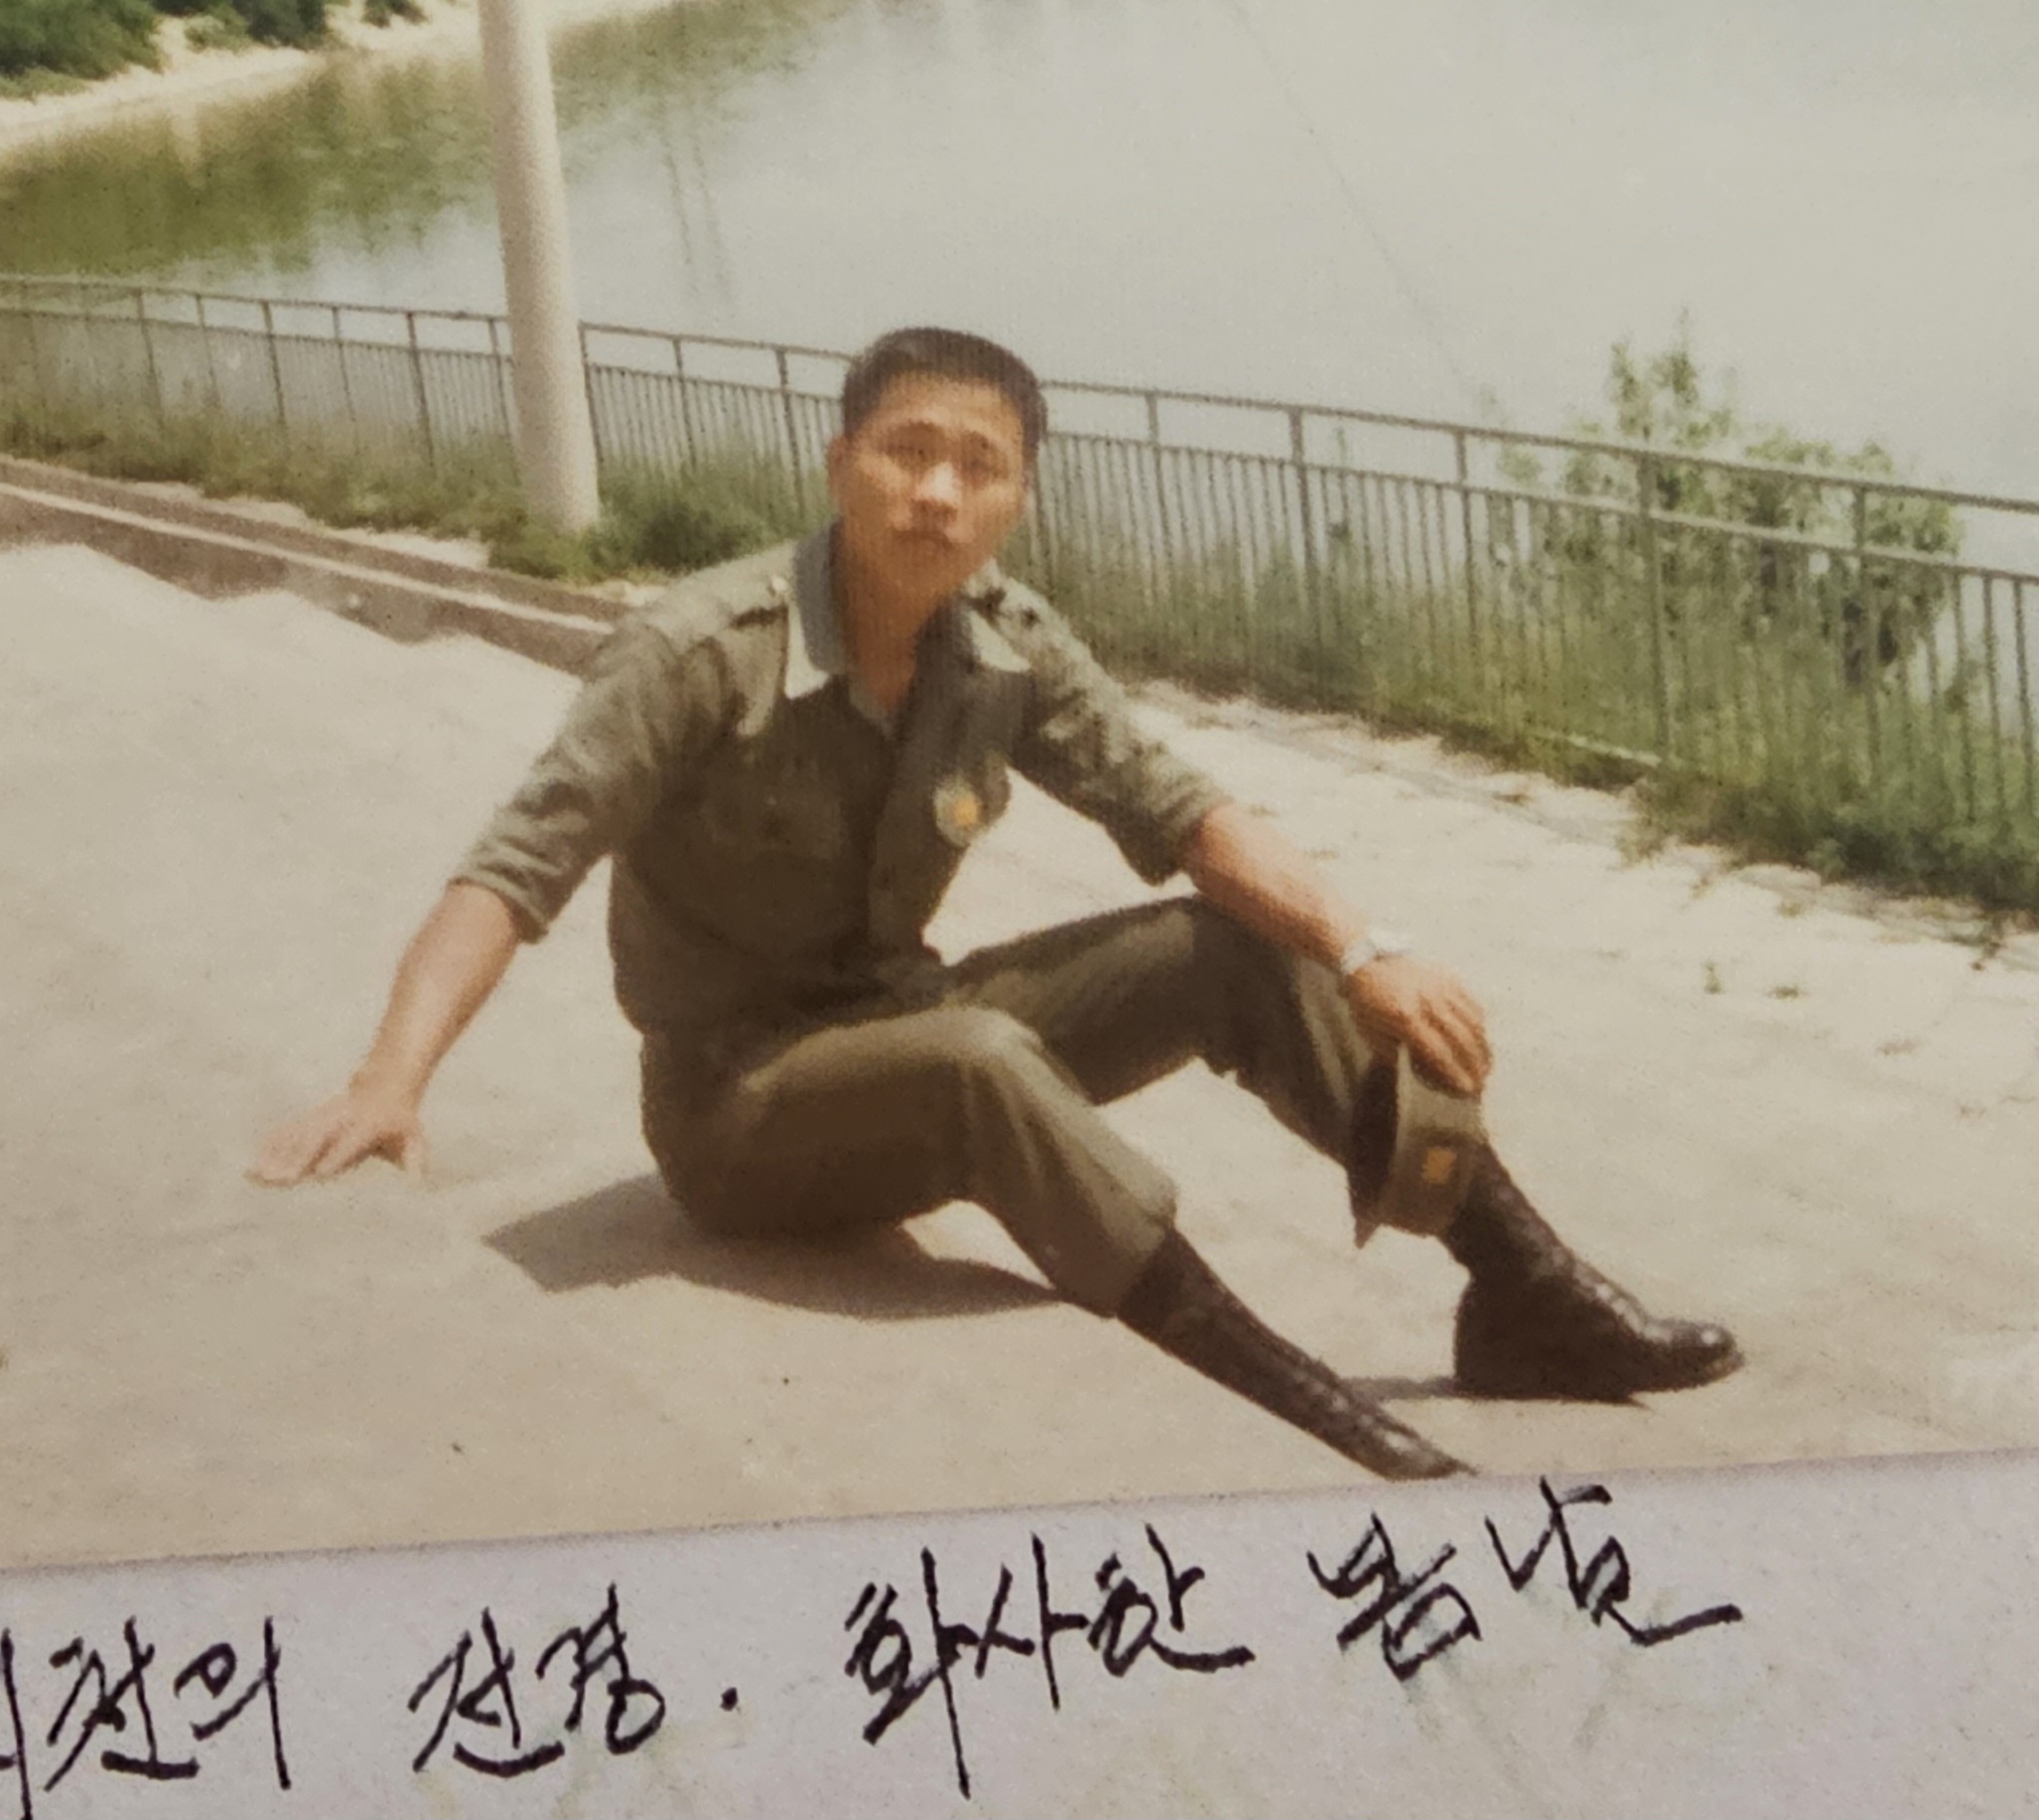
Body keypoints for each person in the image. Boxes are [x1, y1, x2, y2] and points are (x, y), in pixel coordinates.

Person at [254, 326, 1739, 1479]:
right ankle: (1299, 1397)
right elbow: (516, 869)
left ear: (1016, 498)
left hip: (900, 1020)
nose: (939, 492)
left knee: (1234, 943)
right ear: (839, 465)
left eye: (979, 466)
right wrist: (390, 1079)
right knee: (978, 1061)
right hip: (737, 1110)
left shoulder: (1004, 644)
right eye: (907, 453)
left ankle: (1522, 1289)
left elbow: (1178, 808)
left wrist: (1363, 948)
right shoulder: (700, 649)